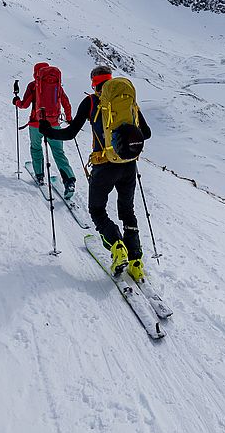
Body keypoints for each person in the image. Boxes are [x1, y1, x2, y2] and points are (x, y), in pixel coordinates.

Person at [40, 65, 151, 282]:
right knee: (127, 212)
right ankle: (136, 261)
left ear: (94, 82)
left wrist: (47, 130)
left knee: (97, 210)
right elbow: (145, 133)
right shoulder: (126, 101)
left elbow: (71, 133)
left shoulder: (91, 102)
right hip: (129, 165)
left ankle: (116, 245)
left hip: (103, 165)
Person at [14, 62, 77, 199]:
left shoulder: (33, 85)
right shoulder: (57, 86)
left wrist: (16, 101)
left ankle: (40, 175)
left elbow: (24, 105)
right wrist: (69, 118)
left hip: (36, 125)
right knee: (59, 152)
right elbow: (66, 103)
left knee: (36, 148)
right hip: (54, 124)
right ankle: (69, 181)